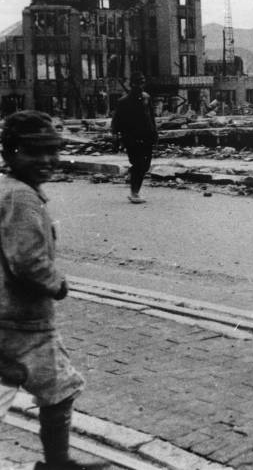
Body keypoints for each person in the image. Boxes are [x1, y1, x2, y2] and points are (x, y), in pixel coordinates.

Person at [0, 110, 100, 470]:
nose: (46, 161)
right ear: (10, 152)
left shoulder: (9, 189)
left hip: (7, 315)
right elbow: (27, 261)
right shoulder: (21, 198)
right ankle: (57, 465)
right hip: (25, 321)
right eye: (33, 152)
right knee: (61, 388)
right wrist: (57, 285)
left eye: (52, 151)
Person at [111, 72, 157, 204]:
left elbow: (151, 118)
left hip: (147, 137)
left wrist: (155, 134)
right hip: (131, 137)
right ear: (132, 84)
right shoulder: (124, 101)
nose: (140, 85)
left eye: (142, 82)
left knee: (145, 166)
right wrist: (116, 137)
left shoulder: (147, 98)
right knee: (138, 164)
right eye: (137, 82)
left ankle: (134, 181)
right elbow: (116, 120)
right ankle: (134, 192)